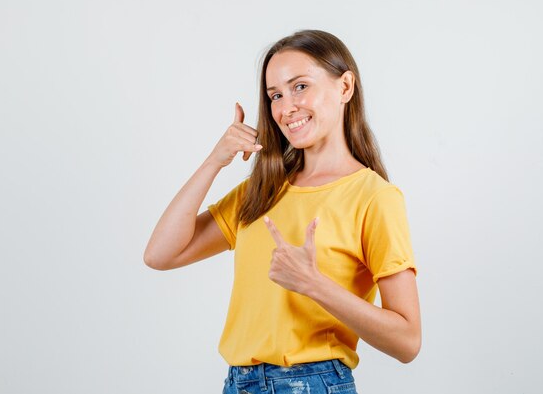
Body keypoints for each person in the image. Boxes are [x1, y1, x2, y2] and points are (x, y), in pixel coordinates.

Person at [144, 29, 421, 394]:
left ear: (345, 87)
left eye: (300, 86)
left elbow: (407, 341)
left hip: (313, 383)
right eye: (275, 94)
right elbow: (161, 254)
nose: (285, 107)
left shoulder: (374, 197)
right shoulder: (262, 189)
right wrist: (215, 161)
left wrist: (315, 284)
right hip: (239, 382)